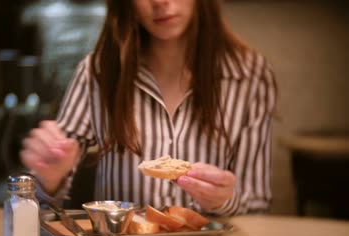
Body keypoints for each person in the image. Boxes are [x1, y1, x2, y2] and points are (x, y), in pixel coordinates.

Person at [21, 0, 277, 216]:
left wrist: (223, 200)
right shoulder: (99, 71)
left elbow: (255, 204)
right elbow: (39, 202)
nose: (159, 2)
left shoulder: (249, 75)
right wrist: (50, 177)